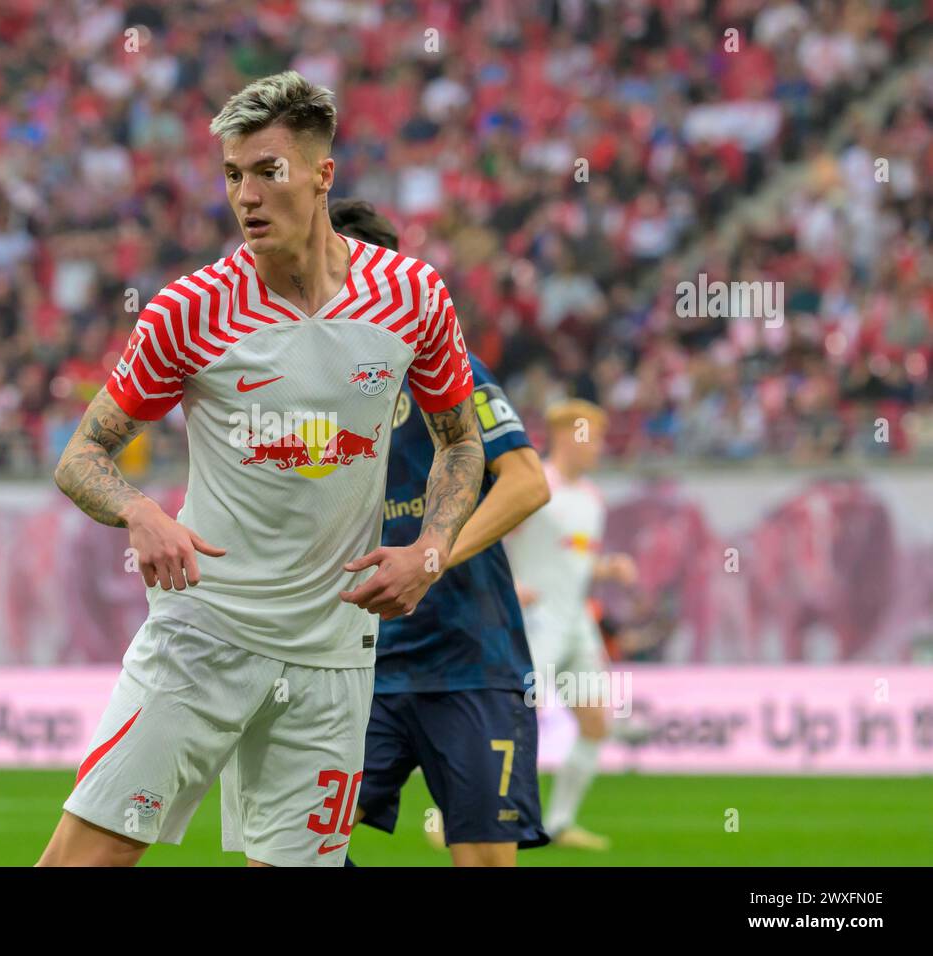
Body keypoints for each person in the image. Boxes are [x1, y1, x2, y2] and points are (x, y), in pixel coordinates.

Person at [37, 71, 484, 867]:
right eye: (233, 175)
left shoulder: (411, 297)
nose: (246, 194)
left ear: (322, 175)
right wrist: (140, 512)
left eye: (267, 171)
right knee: (85, 861)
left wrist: (431, 549)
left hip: (335, 652)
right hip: (205, 633)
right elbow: (81, 455)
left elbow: (461, 441)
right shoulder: (189, 309)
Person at [321, 199, 552, 867]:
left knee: (482, 860)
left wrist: (431, 553)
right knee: (299, 846)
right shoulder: (318, 393)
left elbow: (526, 481)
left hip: (469, 662)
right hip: (363, 664)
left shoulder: (449, 369)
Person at [504, 399, 638, 850]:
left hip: (577, 620)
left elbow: (573, 562)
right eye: (592, 436)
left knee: (597, 721)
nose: (599, 446)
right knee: (515, 718)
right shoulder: (531, 484)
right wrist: (511, 583)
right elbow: (488, 538)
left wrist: (607, 568)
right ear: (566, 436)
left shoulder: (592, 499)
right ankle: (459, 815)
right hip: (534, 619)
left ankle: (558, 824)